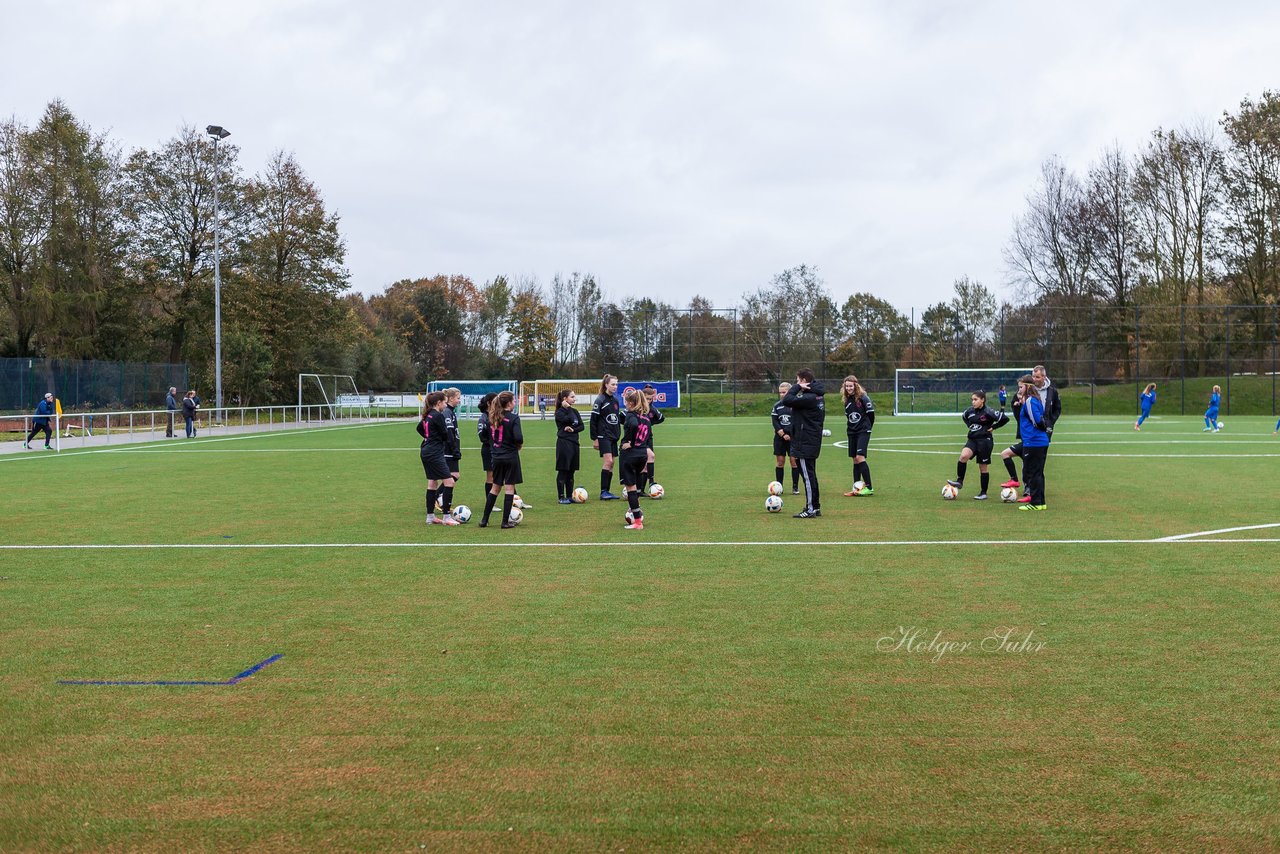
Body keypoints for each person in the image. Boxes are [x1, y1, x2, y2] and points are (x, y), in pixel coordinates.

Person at [945, 391, 1010, 500]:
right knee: (963, 456)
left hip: (985, 442)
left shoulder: (989, 412)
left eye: (975, 399)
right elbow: (964, 416)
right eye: (972, 399)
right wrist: (970, 426)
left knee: (983, 467)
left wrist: (993, 427)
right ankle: (959, 481)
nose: (973, 402)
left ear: (982, 400)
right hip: (972, 440)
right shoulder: (970, 411)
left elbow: (1005, 419)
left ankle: (983, 493)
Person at [782, 369, 826, 518]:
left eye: (797, 380)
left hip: (805, 441)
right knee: (810, 475)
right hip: (810, 439)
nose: (795, 383)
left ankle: (811, 509)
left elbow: (787, 400)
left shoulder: (809, 397)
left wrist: (797, 388)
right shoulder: (817, 394)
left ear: (803, 381)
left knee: (807, 476)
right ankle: (816, 506)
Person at [480, 390, 524, 529]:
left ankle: (484, 520)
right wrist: (517, 445)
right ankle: (505, 522)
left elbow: (484, 436)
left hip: (496, 457)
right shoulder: (513, 418)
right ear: (509, 403)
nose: (515, 402)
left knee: (495, 488)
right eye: (514, 400)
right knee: (509, 488)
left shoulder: (491, 417)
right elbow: (518, 438)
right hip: (510, 456)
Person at [417, 392, 459, 527]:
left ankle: (430, 517)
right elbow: (445, 435)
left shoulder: (427, 415)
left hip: (425, 451)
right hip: (434, 453)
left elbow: (419, 428)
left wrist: (428, 437)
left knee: (432, 484)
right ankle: (447, 516)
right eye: (444, 402)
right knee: (449, 482)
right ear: (438, 403)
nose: (445, 405)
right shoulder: (438, 416)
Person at [618, 388, 653, 530]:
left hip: (630, 455)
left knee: (630, 488)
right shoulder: (646, 418)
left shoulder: (630, 416)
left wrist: (630, 442)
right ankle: (635, 511)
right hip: (641, 455)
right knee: (636, 488)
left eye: (626, 402)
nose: (625, 405)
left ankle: (637, 522)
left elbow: (632, 425)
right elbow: (648, 436)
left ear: (631, 403)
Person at [1016, 375, 1050, 511]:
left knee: (1032, 473)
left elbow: (1036, 420)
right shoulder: (1035, 399)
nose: (1019, 390)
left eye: (1020, 387)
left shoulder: (1030, 400)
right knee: (1038, 473)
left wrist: (1041, 428)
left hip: (1033, 442)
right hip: (1039, 442)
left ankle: (1035, 503)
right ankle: (1041, 502)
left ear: (1027, 387)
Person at [840, 375, 876, 497]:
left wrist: (867, 427)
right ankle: (856, 488)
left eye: (851, 386)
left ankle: (869, 487)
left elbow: (871, 414)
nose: (849, 388)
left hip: (863, 431)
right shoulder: (846, 400)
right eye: (847, 386)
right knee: (855, 459)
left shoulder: (863, 398)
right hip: (851, 432)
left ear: (856, 385)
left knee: (860, 457)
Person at [590, 374, 622, 500]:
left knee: (612, 463)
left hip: (613, 436)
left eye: (616, 384)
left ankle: (607, 491)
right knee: (608, 461)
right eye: (613, 384)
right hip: (603, 436)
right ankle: (603, 492)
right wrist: (595, 438)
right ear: (606, 385)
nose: (615, 387)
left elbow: (616, 419)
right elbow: (594, 420)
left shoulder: (615, 400)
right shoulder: (600, 400)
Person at [554, 389, 585, 504]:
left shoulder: (575, 411)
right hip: (564, 443)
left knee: (571, 471)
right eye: (572, 397)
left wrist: (573, 429)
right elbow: (570, 419)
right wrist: (567, 408)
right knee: (563, 470)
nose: (574, 399)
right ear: (565, 399)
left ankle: (570, 496)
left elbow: (581, 426)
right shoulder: (559, 412)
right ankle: (561, 497)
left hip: (574, 443)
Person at [771, 382, 800, 495]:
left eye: (784, 392)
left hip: (793, 438)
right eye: (780, 393)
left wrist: (791, 434)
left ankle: (795, 487)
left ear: (790, 392)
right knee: (780, 462)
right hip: (780, 438)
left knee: (794, 462)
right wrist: (782, 434)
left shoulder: (796, 406)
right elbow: (775, 421)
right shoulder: (777, 406)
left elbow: (797, 422)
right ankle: (779, 487)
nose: (782, 394)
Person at [638, 384, 664, 494]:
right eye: (647, 398)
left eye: (651, 398)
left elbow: (662, 418)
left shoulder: (652, 409)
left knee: (648, 460)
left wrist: (650, 423)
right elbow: (622, 417)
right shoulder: (637, 408)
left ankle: (649, 484)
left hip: (648, 438)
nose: (649, 400)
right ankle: (641, 488)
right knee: (642, 463)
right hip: (638, 439)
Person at [442, 387, 462, 514]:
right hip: (448, 450)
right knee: (453, 476)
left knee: (454, 476)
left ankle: (439, 496)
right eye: (458, 398)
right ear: (450, 398)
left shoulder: (451, 412)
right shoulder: (447, 412)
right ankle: (438, 496)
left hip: (451, 450)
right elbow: (449, 432)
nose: (459, 401)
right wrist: (454, 449)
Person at [476, 392, 497, 505]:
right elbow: (482, 437)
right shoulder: (484, 418)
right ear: (489, 403)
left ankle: (516, 501)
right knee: (491, 476)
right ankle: (490, 504)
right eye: (495, 401)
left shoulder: (498, 415)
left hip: (499, 450)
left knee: (507, 475)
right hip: (488, 450)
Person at [1031, 365, 1061, 434]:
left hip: (1046, 428)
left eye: (1037, 377)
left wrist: (1051, 422)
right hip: (1030, 428)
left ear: (1044, 377)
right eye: (1033, 376)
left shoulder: (1052, 391)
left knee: (1043, 444)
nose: (1034, 379)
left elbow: (1057, 409)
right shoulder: (1028, 389)